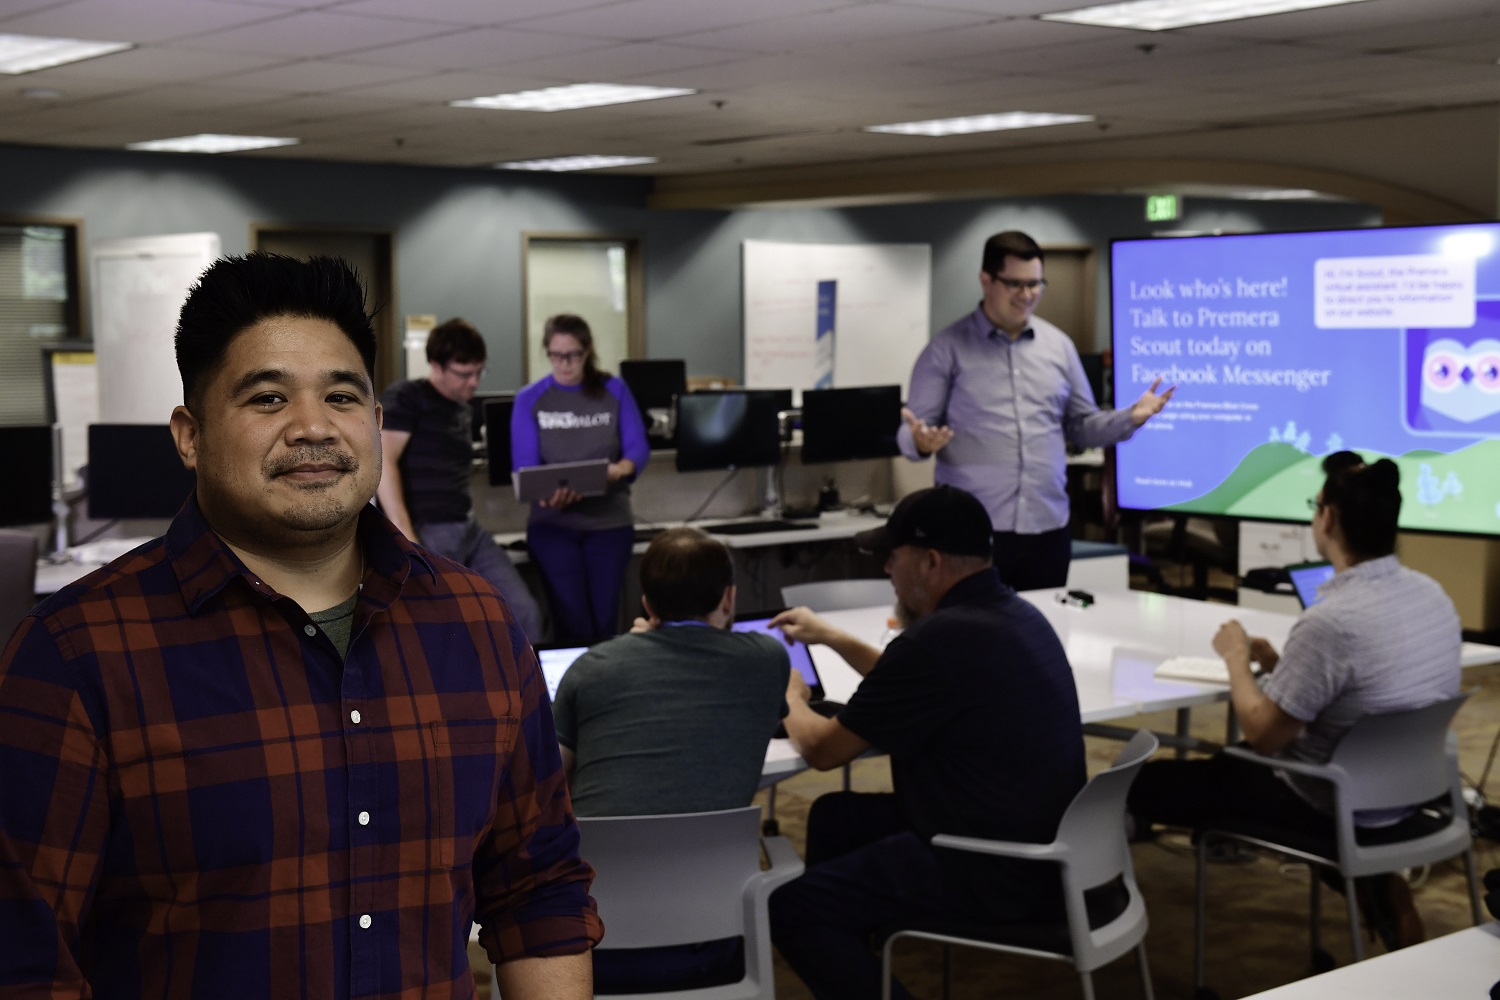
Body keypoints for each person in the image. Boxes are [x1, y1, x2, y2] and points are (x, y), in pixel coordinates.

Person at [0, 253, 601, 997]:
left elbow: (538, 895)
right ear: (189, 435)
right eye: (267, 398)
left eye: (343, 396)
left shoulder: (477, 627)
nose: (313, 426)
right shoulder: (75, 656)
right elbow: (23, 962)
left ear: (376, 424)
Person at [1127, 451, 1461, 951]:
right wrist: (1287, 669)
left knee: (1137, 781)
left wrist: (1237, 658)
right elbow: (1362, 689)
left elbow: (1263, 735)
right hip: (1412, 793)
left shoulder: (1331, 620)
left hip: (1330, 800)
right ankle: (1382, 890)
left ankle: (1097, 919)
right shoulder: (1432, 593)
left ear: (1327, 519)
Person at [767, 484, 1086, 1000]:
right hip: (1050, 846)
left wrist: (789, 695)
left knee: (793, 907)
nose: (887, 571)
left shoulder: (937, 640)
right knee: (835, 819)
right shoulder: (1012, 614)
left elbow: (824, 750)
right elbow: (917, 679)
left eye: (893, 557)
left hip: (989, 866)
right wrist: (831, 637)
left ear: (930, 561)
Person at [552, 525, 790, 993]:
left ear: (646, 605)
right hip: (717, 947)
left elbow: (547, 781)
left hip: (590, 947)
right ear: (729, 599)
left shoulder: (593, 668)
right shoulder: (767, 659)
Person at [898, 230, 1174, 590]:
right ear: (986, 280)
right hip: (971, 534)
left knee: (1040, 636)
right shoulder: (947, 349)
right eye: (1015, 283)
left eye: (1035, 284)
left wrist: (1131, 418)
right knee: (976, 637)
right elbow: (912, 431)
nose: (1027, 295)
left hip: (1047, 527)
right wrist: (921, 442)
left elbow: (1082, 426)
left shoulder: (1058, 347)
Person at [376, 317, 544, 641]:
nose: (473, 383)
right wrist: (405, 536)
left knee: (523, 611)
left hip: (467, 527)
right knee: (448, 629)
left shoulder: (461, 408)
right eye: (464, 374)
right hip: (428, 531)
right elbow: (384, 461)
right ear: (435, 366)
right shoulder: (409, 396)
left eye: (480, 372)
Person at [512, 313, 649, 642]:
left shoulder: (613, 390)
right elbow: (525, 467)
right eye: (556, 355)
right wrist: (546, 494)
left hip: (608, 523)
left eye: (572, 355)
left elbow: (638, 450)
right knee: (571, 620)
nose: (564, 363)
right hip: (554, 525)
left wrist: (618, 470)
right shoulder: (530, 399)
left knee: (604, 620)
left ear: (587, 352)